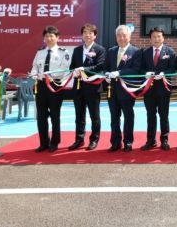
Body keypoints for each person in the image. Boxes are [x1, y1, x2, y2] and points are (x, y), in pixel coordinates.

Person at [30, 25, 71, 152]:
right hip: (41, 85)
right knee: (41, 116)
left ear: (57, 37)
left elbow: (64, 69)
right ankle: (43, 143)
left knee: (54, 115)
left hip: (54, 85)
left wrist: (50, 76)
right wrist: (34, 74)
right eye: (46, 36)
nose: (48, 38)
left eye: (51, 36)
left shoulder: (63, 52)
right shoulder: (40, 52)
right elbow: (34, 66)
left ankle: (54, 142)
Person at [103, 25, 142, 152]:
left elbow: (135, 70)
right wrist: (106, 75)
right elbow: (105, 67)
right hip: (112, 90)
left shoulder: (136, 52)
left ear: (129, 36)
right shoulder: (111, 51)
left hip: (127, 90)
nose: (121, 38)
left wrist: (119, 73)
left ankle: (128, 142)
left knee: (128, 116)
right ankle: (115, 142)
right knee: (114, 117)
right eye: (119, 35)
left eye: (124, 35)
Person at [68, 23, 106, 151]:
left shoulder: (100, 49)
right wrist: (74, 71)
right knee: (79, 115)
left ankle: (94, 139)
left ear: (95, 35)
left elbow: (100, 66)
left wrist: (84, 69)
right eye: (85, 32)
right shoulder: (77, 50)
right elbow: (72, 66)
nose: (87, 35)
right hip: (78, 86)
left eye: (90, 33)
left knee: (94, 116)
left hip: (93, 87)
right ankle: (79, 139)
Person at [140, 27, 177, 151]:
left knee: (164, 115)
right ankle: (151, 140)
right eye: (154, 37)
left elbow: (173, 68)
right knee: (150, 115)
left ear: (163, 38)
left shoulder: (170, 52)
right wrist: (145, 73)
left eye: (159, 36)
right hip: (149, 89)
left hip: (163, 88)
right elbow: (140, 68)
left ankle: (164, 140)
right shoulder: (145, 52)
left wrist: (164, 73)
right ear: (150, 39)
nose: (156, 39)